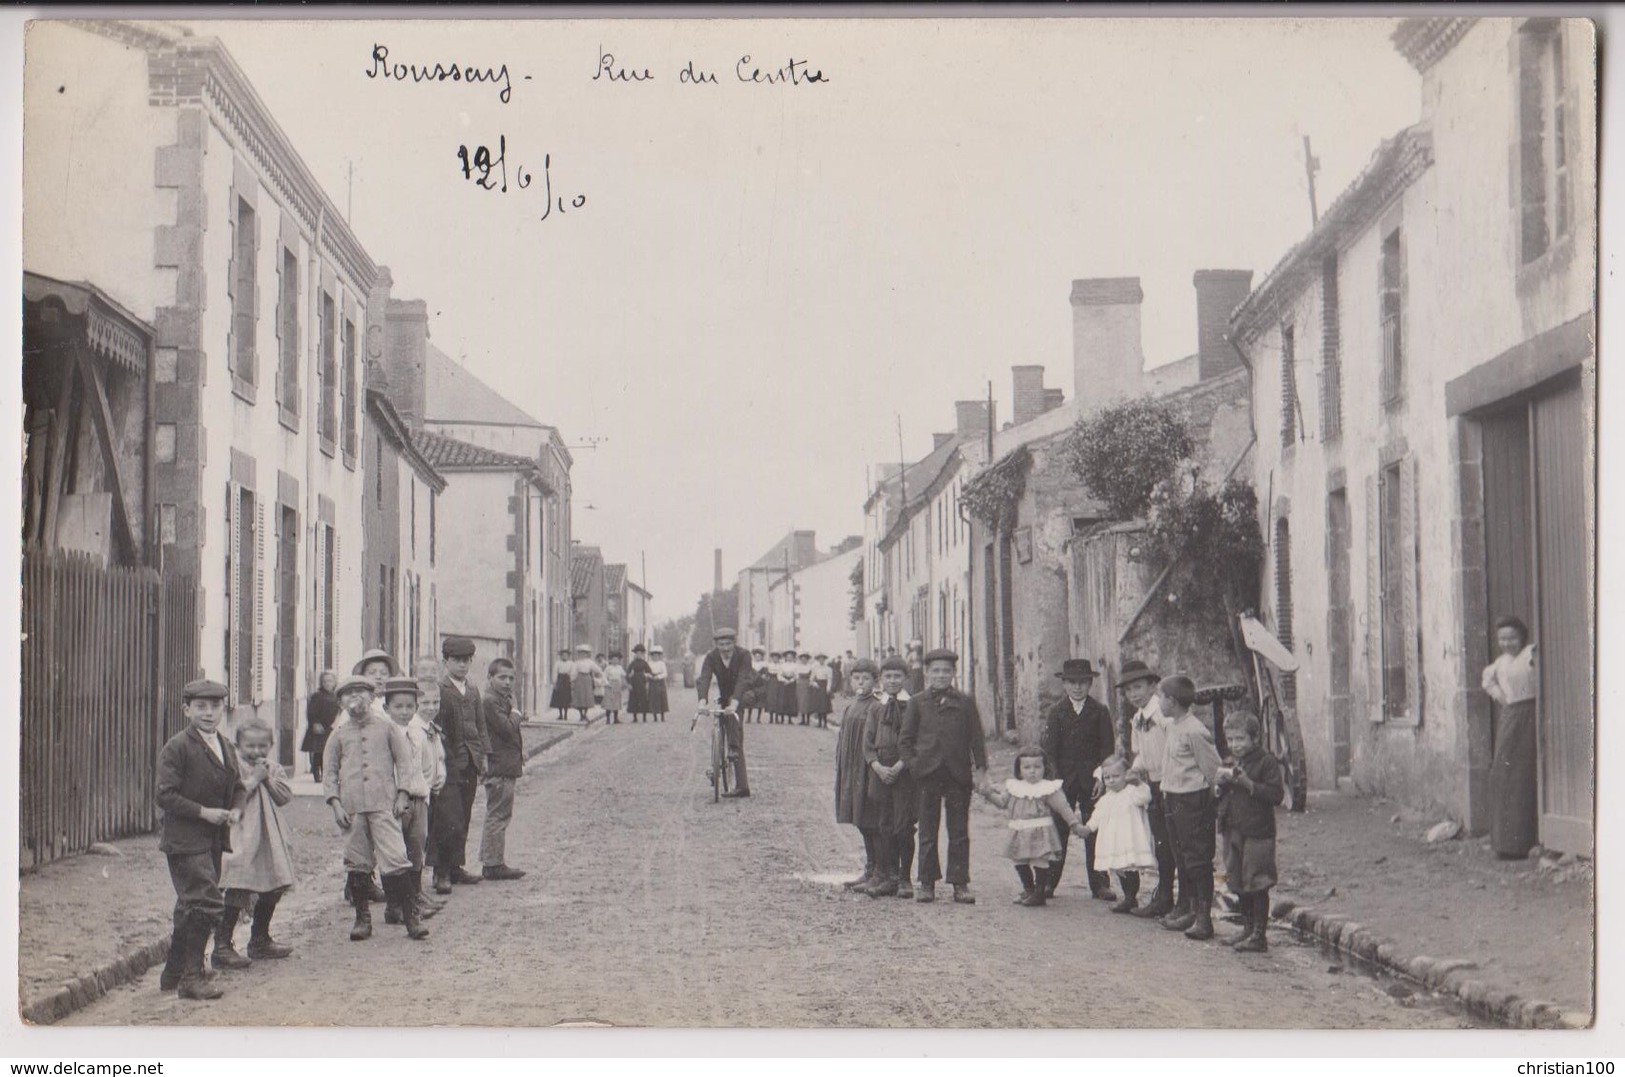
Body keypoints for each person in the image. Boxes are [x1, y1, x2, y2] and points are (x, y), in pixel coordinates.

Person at [154, 678, 243, 1000]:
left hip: (214, 841)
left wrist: (236, 809)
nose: (208, 713)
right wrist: (203, 812)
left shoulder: (225, 744)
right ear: (186, 710)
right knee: (205, 902)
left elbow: (240, 787)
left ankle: (174, 972)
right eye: (201, 707)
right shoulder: (177, 746)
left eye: (215, 706)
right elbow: (165, 795)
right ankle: (192, 978)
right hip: (185, 839)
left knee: (190, 905)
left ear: (223, 708)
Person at [322, 675, 428, 942]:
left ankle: (411, 917)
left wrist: (402, 794)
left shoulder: (386, 728)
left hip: (384, 805)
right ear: (341, 701)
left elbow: (404, 763)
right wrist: (335, 804)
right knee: (357, 862)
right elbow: (330, 772)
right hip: (353, 808)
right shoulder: (338, 735)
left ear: (372, 698)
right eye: (349, 694)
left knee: (396, 858)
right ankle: (362, 919)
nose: (356, 698)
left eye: (362, 692)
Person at [899, 648, 988, 904]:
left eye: (946, 671)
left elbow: (977, 739)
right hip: (926, 775)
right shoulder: (917, 702)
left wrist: (981, 771)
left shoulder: (965, 702)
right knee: (927, 830)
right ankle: (926, 883)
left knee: (958, 830)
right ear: (926, 673)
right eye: (935, 671)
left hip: (958, 775)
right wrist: (914, 766)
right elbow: (905, 741)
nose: (941, 675)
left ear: (953, 673)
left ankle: (960, 883)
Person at [213, 718, 296, 970]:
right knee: (238, 885)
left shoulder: (273, 768)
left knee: (274, 884)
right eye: (250, 746)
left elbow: (284, 797)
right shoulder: (232, 767)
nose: (256, 751)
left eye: (262, 746)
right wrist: (254, 779)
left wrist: (267, 778)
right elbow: (230, 797)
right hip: (242, 834)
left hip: (269, 836)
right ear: (238, 745)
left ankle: (260, 938)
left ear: (270, 745)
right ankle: (222, 946)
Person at [1040, 658, 1118, 901]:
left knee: (1095, 829)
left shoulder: (1100, 711)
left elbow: (1107, 750)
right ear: (1064, 684)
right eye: (1072, 683)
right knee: (1058, 829)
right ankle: (1048, 882)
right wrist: (1053, 782)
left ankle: (1099, 883)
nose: (1077, 688)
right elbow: (1049, 752)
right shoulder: (1056, 712)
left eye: (1082, 682)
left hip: (1091, 781)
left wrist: (1100, 777)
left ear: (1090, 683)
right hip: (1063, 782)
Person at [976, 748, 1089, 907]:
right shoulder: (1014, 787)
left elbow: (1063, 807)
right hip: (1019, 830)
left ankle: (1039, 893)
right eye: (1027, 768)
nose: (1032, 772)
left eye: (1037, 767)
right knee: (1019, 859)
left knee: (1039, 859)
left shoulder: (1048, 788)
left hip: (1040, 830)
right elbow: (1002, 802)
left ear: (1045, 768)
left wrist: (1074, 824)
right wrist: (987, 794)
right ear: (1019, 769)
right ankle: (1029, 889)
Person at [1156, 675, 1223, 941]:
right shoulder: (1173, 726)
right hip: (1172, 798)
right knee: (1181, 856)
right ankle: (1190, 909)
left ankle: (1204, 918)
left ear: (1172, 702)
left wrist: (1209, 804)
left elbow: (1213, 769)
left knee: (1197, 858)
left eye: (1161, 697)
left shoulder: (1195, 730)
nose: (1158, 702)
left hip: (1191, 801)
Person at [1215, 709, 1284, 953]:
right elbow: (1223, 795)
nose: (1235, 745)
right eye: (1231, 739)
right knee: (1237, 879)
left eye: (1240, 739)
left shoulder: (1267, 762)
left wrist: (1249, 785)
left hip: (1258, 831)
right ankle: (1246, 927)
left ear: (1254, 738)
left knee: (1257, 880)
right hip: (1233, 829)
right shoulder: (1230, 761)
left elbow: (1276, 795)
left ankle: (1259, 935)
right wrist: (1220, 787)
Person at [1121, 659, 1179, 921]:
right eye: (1128, 690)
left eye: (1138, 687)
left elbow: (1175, 749)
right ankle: (1164, 895)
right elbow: (1142, 755)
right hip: (1154, 785)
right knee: (1161, 843)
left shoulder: (1163, 715)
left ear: (1153, 686)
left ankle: (1179, 900)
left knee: (1174, 843)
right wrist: (1132, 772)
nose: (1133, 694)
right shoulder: (1137, 719)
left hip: (1173, 783)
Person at [432, 637, 488, 893]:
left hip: (470, 762)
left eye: (466, 661)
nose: (462, 666)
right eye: (457, 661)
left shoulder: (473, 690)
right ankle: (440, 871)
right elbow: (436, 729)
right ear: (446, 662)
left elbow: (480, 726)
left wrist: (484, 756)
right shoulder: (440, 691)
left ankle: (456, 866)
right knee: (447, 818)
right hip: (448, 763)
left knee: (464, 815)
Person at [1481, 615, 1539, 859]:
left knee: (1523, 775)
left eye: (1512, 637)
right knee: (1503, 775)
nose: (1507, 643)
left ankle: (1525, 842)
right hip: (1510, 717)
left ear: (1522, 637)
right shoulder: (1500, 663)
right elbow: (1487, 681)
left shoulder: (1530, 654)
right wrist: (1501, 698)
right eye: (1502, 638)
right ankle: (1505, 843)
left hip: (1531, 714)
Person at [380, 678, 434, 926]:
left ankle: (413, 900)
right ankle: (394, 905)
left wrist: (425, 794)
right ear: (386, 708)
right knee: (394, 854)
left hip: (418, 800)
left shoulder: (418, 734)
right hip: (394, 804)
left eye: (409, 706)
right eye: (398, 707)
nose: (404, 712)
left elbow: (426, 767)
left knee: (415, 849)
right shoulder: (383, 737)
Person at [862, 657, 917, 898]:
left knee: (904, 826)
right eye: (888, 677)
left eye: (897, 676)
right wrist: (878, 767)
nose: (893, 681)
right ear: (881, 679)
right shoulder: (875, 707)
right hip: (881, 774)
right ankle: (889, 876)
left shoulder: (914, 706)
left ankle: (905, 878)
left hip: (904, 774)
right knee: (884, 824)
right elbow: (868, 743)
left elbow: (918, 741)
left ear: (905, 678)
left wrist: (901, 765)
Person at [1078, 754, 1156, 914]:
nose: (1111, 780)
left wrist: (1139, 783)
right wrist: (1088, 828)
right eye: (1107, 777)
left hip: (1129, 839)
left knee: (1130, 868)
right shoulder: (1107, 798)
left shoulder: (1132, 792)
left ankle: (1130, 897)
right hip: (1114, 841)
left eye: (1116, 776)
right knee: (1120, 869)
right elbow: (1097, 815)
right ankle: (1128, 897)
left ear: (1126, 775)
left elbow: (1145, 796)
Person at [834, 659, 882, 890]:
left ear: (875, 681)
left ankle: (879, 871)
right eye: (856, 678)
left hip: (867, 770)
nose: (860, 682)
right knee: (860, 819)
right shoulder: (851, 706)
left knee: (871, 819)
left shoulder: (876, 706)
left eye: (866, 678)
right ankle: (870, 868)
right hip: (851, 770)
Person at [481, 657, 529, 881]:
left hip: (506, 764)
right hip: (499, 767)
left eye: (511, 678)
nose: (508, 682)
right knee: (498, 815)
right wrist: (517, 714)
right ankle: (493, 864)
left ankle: (491, 860)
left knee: (499, 814)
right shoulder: (490, 701)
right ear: (490, 678)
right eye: (502, 677)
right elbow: (507, 729)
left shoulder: (502, 698)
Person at [697, 627, 754, 796]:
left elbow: (743, 679)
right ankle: (718, 758)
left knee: (734, 732)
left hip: (744, 693)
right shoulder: (711, 657)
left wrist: (735, 703)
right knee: (720, 718)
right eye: (721, 644)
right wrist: (702, 702)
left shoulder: (744, 655)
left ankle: (742, 786)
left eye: (728, 644)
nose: (725, 648)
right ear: (716, 644)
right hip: (725, 695)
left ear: (734, 643)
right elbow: (705, 677)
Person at [301, 671, 339, 782]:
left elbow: (340, 710)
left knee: (329, 751)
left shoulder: (336, 696)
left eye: (330, 681)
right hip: (319, 728)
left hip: (331, 727)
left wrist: (337, 722)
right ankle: (316, 773)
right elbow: (311, 712)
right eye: (325, 681)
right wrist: (315, 723)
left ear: (334, 682)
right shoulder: (317, 696)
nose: (327, 683)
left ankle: (327, 773)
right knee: (318, 752)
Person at [571, 644, 598, 722]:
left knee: (587, 697)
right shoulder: (576, 663)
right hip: (579, 679)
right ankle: (581, 714)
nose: (582, 655)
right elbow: (574, 672)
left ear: (587, 654)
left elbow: (596, 669)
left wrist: (600, 675)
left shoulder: (590, 662)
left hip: (587, 679)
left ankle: (585, 713)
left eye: (584, 653)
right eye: (581, 653)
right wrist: (572, 680)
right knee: (580, 697)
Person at [627, 644, 653, 723]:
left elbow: (650, 672)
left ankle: (644, 717)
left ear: (643, 654)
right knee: (634, 699)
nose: (639, 655)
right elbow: (628, 672)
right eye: (637, 653)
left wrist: (647, 676)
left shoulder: (644, 663)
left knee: (643, 700)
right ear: (635, 654)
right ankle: (635, 717)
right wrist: (629, 682)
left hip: (642, 682)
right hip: (634, 681)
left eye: (640, 653)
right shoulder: (633, 663)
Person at [809, 654, 834, 729]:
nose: (821, 660)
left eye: (822, 659)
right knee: (818, 704)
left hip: (824, 686)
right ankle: (819, 722)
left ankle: (825, 722)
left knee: (824, 705)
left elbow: (830, 679)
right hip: (818, 686)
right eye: (820, 659)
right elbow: (811, 679)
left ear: (824, 660)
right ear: (818, 660)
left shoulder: (828, 669)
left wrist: (828, 688)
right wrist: (814, 684)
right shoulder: (815, 668)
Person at [549, 649, 574, 720]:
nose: (564, 657)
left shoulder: (571, 663)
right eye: (563, 655)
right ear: (561, 656)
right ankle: (560, 714)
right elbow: (555, 672)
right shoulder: (558, 663)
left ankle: (566, 714)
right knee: (559, 698)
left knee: (566, 698)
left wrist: (571, 680)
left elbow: (572, 672)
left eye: (566, 655)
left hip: (567, 680)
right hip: (560, 680)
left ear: (568, 656)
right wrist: (554, 681)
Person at [603, 652, 627, 725]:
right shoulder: (608, 668)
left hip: (617, 685)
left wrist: (624, 684)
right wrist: (607, 683)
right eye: (613, 659)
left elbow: (623, 675)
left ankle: (616, 718)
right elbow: (604, 676)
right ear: (610, 660)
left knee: (616, 702)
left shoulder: (619, 668)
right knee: (609, 702)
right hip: (610, 685)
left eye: (617, 660)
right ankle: (607, 719)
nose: (615, 661)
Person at [648, 646, 670, 721]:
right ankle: (655, 716)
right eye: (653, 655)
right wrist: (651, 676)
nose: (655, 657)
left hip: (660, 682)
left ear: (659, 656)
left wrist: (659, 677)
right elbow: (647, 672)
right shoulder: (649, 663)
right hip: (652, 682)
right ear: (651, 656)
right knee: (653, 699)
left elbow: (665, 673)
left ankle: (662, 716)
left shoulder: (661, 664)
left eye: (657, 655)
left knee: (662, 698)